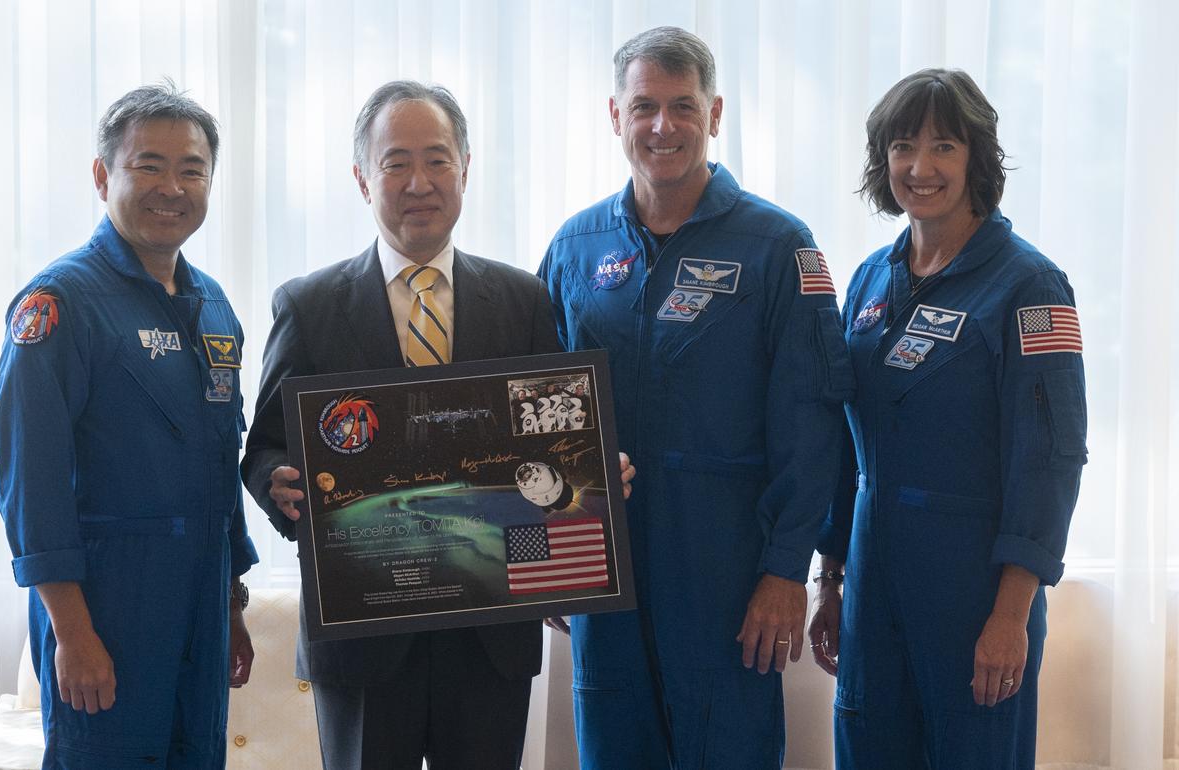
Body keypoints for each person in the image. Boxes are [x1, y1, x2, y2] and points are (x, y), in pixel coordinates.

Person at [240, 80, 634, 770]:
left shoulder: (521, 298)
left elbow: (552, 441)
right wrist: (276, 482)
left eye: (437, 159)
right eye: (395, 163)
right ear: (363, 179)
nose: (418, 182)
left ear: (465, 169)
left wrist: (594, 475)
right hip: (363, 631)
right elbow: (265, 445)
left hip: (490, 633)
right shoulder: (308, 306)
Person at [539, 26, 854, 769]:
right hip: (605, 568)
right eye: (644, 106)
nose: (662, 126)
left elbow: (813, 421)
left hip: (728, 570)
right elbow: (537, 411)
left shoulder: (779, 246)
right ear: (614, 116)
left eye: (683, 106)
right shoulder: (575, 248)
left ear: (714, 114)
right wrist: (545, 550)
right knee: (613, 748)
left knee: (731, 747)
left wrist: (786, 569)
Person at [807, 68, 1087, 768]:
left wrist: (1011, 614)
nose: (919, 167)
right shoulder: (872, 277)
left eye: (944, 147)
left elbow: (1050, 457)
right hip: (874, 584)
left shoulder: (1031, 285)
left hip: (974, 591)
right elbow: (844, 442)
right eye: (903, 146)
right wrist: (832, 576)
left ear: (978, 159)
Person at [0, 82, 258, 768]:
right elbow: (32, 480)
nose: (172, 186)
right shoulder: (60, 304)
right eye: (149, 165)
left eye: (192, 169)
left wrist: (230, 604)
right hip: (109, 610)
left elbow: (218, 467)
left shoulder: (214, 307)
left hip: (201, 606)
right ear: (103, 174)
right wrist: (71, 634)